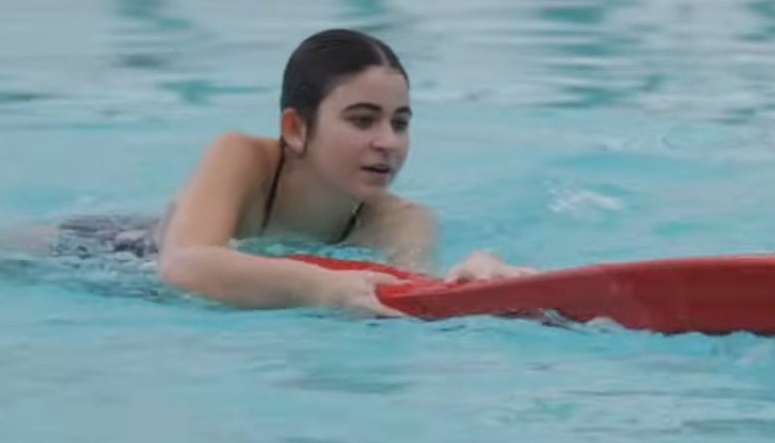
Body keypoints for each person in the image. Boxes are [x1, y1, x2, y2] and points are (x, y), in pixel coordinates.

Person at [52, 28, 532, 316]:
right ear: (296, 129)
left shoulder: (403, 221)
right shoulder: (241, 158)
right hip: (104, 248)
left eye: (400, 123)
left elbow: (398, 299)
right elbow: (183, 264)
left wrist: (470, 281)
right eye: (362, 120)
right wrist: (320, 286)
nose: (387, 141)